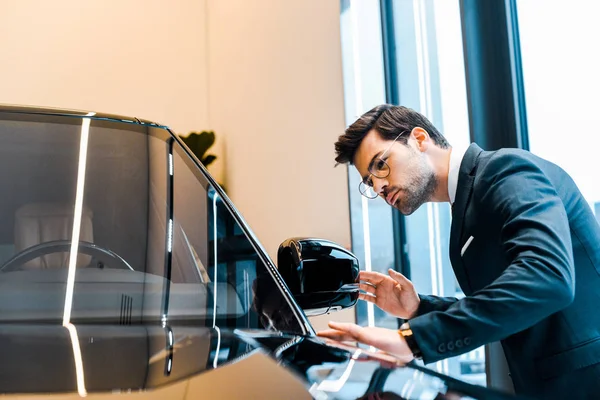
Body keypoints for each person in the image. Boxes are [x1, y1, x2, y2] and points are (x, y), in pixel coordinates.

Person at [317, 104, 600, 398]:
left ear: (419, 139)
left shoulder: (506, 171)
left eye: (380, 165)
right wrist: (418, 308)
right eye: (369, 181)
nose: (380, 186)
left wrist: (412, 340)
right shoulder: (468, 202)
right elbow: (502, 300)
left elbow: (547, 277)